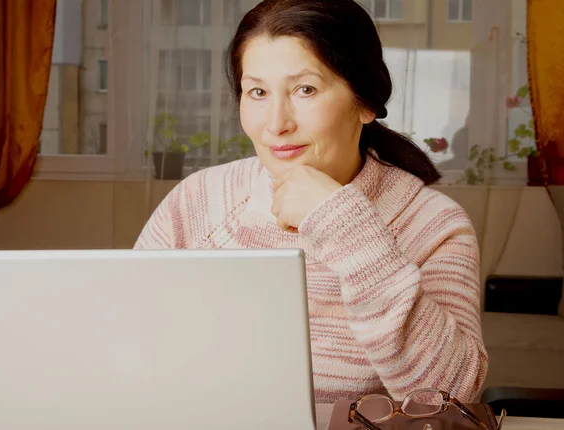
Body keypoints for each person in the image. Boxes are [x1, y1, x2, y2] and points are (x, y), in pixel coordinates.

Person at [135, 0, 487, 404]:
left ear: (365, 101)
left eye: (305, 89)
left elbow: (450, 396)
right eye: (258, 92)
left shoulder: (433, 225)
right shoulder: (199, 200)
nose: (276, 123)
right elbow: (126, 344)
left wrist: (345, 225)